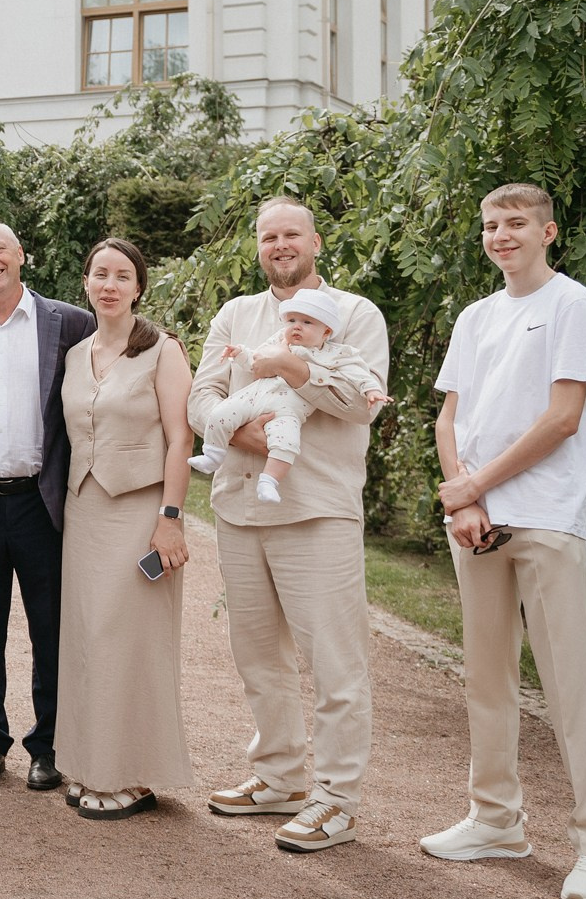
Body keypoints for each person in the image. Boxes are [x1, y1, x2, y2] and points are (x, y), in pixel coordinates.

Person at [425, 183, 586, 899]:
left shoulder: (573, 306)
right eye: (490, 225)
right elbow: (451, 417)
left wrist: (476, 485)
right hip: (475, 521)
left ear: (548, 231)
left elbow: (563, 418)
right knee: (487, 678)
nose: (501, 235)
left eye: (515, 224)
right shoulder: (476, 316)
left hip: (544, 519)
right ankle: (495, 820)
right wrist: (465, 495)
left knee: (570, 685)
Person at [187, 197, 390, 852]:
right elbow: (201, 398)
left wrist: (294, 369)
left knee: (335, 663)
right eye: (269, 236)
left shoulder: (355, 314)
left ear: (316, 242)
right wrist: (250, 436)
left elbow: (360, 405)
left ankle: (336, 799)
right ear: (258, 245)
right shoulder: (236, 314)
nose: (280, 245)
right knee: (258, 659)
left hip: (318, 511)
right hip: (240, 510)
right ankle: (278, 778)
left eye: (291, 234)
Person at [0, 220, 97, 793]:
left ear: (21, 254)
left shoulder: (70, 323)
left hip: (43, 501)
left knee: (52, 628)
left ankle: (49, 746)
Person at [57, 238, 197, 820]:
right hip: (83, 512)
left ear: (138, 286)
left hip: (140, 511)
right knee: (88, 639)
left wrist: (169, 519)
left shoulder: (163, 351)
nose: (109, 285)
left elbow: (182, 437)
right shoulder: (75, 354)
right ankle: (92, 764)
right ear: (86, 283)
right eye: (99, 275)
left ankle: (132, 775)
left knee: (130, 642)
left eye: (121, 276)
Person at [191, 287, 389, 503]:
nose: (297, 326)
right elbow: (253, 360)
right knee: (221, 413)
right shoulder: (274, 339)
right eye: (292, 320)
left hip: (287, 412)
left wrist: (371, 390)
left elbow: (359, 375)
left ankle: (269, 481)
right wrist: (239, 354)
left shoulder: (336, 352)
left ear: (326, 332)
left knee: (286, 443)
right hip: (253, 399)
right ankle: (212, 455)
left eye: (307, 322)